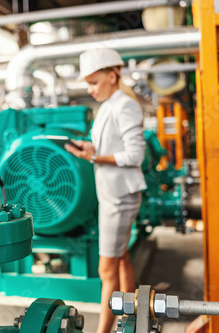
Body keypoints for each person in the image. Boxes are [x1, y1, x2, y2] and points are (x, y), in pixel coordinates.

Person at [65, 48, 146, 333]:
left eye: (94, 81)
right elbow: (114, 148)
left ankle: (104, 330)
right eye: (88, 83)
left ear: (113, 75)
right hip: (112, 194)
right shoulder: (108, 106)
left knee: (105, 270)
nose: (90, 89)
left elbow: (135, 155)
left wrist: (94, 158)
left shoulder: (125, 105)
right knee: (120, 257)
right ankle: (130, 316)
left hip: (120, 198)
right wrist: (93, 150)